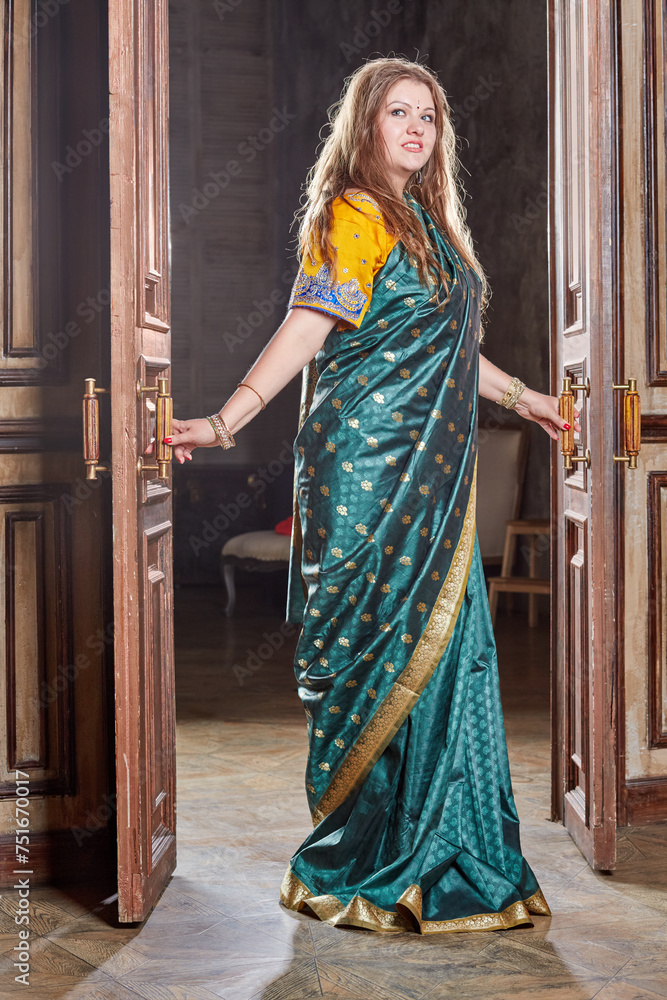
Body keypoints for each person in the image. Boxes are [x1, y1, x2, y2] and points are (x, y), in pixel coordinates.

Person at [155, 57, 579, 934]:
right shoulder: (354, 212)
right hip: (368, 469)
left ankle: (450, 852)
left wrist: (527, 398)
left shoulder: (428, 223)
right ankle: (377, 852)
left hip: (434, 473)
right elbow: (309, 325)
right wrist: (227, 421)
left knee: (450, 648)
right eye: (398, 112)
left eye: (428, 115)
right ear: (365, 124)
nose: (416, 128)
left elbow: (453, 350)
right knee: (378, 648)